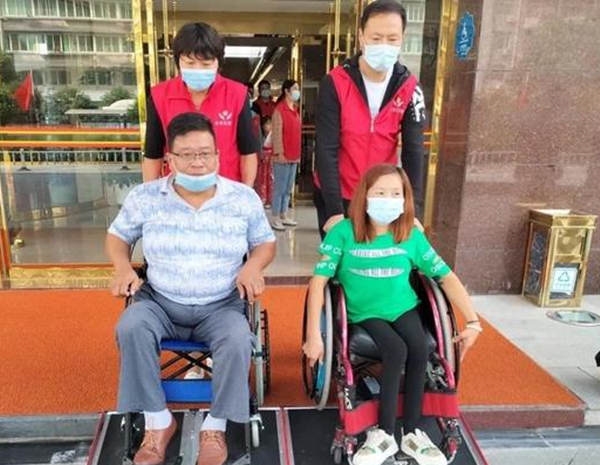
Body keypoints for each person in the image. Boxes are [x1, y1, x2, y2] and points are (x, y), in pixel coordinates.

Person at [106, 112, 276, 465]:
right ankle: (157, 423)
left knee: (238, 338)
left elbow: (265, 243)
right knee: (131, 326)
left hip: (221, 305)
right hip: (161, 302)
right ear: (170, 159)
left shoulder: (242, 198)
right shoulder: (146, 197)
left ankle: (215, 427)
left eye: (205, 153)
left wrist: (252, 266)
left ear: (218, 155)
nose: (198, 162)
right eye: (187, 155)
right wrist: (122, 267)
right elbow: (118, 236)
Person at [303, 164, 481, 465]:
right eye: (380, 193)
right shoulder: (343, 233)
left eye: (396, 193)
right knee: (396, 349)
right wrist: (313, 336)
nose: (388, 200)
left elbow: (446, 277)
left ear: (405, 199)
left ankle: (412, 434)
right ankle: (384, 434)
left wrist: (474, 322)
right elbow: (318, 282)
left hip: (404, 307)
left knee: (420, 348)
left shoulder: (410, 235)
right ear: (365, 195)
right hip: (364, 312)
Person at [314, 0, 428, 237]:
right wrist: (334, 210)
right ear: (361, 37)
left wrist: (414, 210)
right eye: (376, 38)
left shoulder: (410, 87)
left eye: (392, 39)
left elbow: (414, 151)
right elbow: (326, 148)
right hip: (339, 193)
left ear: (402, 39)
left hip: (383, 198)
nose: (384, 45)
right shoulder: (335, 82)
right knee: (341, 258)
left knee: (379, 257)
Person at [143, 22, 259, 186]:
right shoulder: (160, 96)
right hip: (177, 192)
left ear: (218, 63)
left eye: (206, 64)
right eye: (190, 63)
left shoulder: (237, 95)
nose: (198, 69)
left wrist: (246, 193)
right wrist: (149, 195)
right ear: (178, 62)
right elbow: (153, 155)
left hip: (225, 192)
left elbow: (248, 153)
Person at [270, 79, 302, 230]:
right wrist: (279, 152)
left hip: (294, 154)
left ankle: (284, 214)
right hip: (282, 156)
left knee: (288, 188)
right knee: (280, 188)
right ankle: (275, 216)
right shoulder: (279, 110)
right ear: (286, 91)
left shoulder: (295, 109)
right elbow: (277, 134)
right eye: (294, 88)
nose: (297, 91)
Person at [255, 116, 274, 207]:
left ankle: (270, 199)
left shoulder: (273, 135)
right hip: (263, 159)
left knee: (270, 179)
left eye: (270, 124)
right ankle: (263, 198)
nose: (268, 126)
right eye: (266, 124)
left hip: (270, 158)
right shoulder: (261, 136)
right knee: (262, 179)